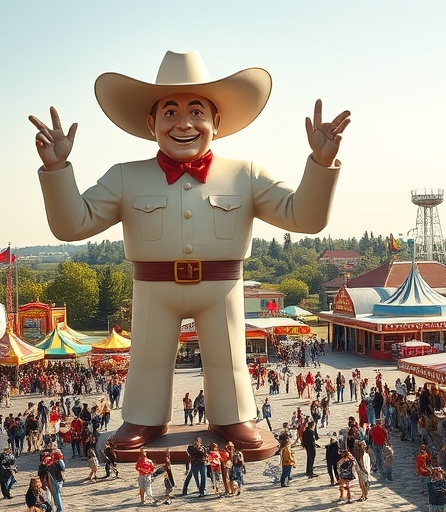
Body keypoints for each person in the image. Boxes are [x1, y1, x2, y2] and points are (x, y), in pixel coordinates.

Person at [30, 50, 350, 451]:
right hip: (153, 288)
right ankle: (143, 419)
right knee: (148, 358)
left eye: (196, 111)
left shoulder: (245, 174)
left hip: (222, 287)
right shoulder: (126, 176)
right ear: (151, 124)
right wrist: (57, 170)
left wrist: (322, 163)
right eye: (170, 113)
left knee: (228, 357)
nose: (184, 123)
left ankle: (233, 418)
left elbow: (303, 217)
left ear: (217, 122)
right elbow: (71, 224)